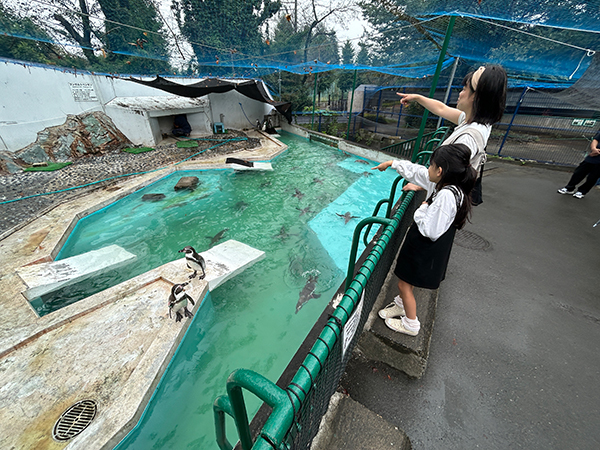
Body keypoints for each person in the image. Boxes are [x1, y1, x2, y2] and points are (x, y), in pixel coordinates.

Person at [372, 144, 477, 336]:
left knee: (404, 284)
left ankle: (411, 324)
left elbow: (431, 230)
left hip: (424, 247)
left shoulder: (446, 195)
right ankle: (401, 305)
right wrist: (393, 163)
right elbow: (418, 172)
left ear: (440, 171)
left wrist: (422, 208)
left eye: (431, 165)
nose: (427, 168)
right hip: (426, 247)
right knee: (406, 282)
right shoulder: (451, 186)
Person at [397, 65, 507, 204]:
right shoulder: (475, 122)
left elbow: (449, 178)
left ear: (476, 96)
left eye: (464, 89)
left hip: (440, 210)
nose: (460, 93)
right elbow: (442, 109)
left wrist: (427, 196)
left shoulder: (468, 138)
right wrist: (418, 98)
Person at [557, 130, 600, 198]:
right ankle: (569, 188)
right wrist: (594, 148)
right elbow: (596, 140)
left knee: (592, 177)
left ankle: (582, 191)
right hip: (592, 157)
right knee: (578, 173)